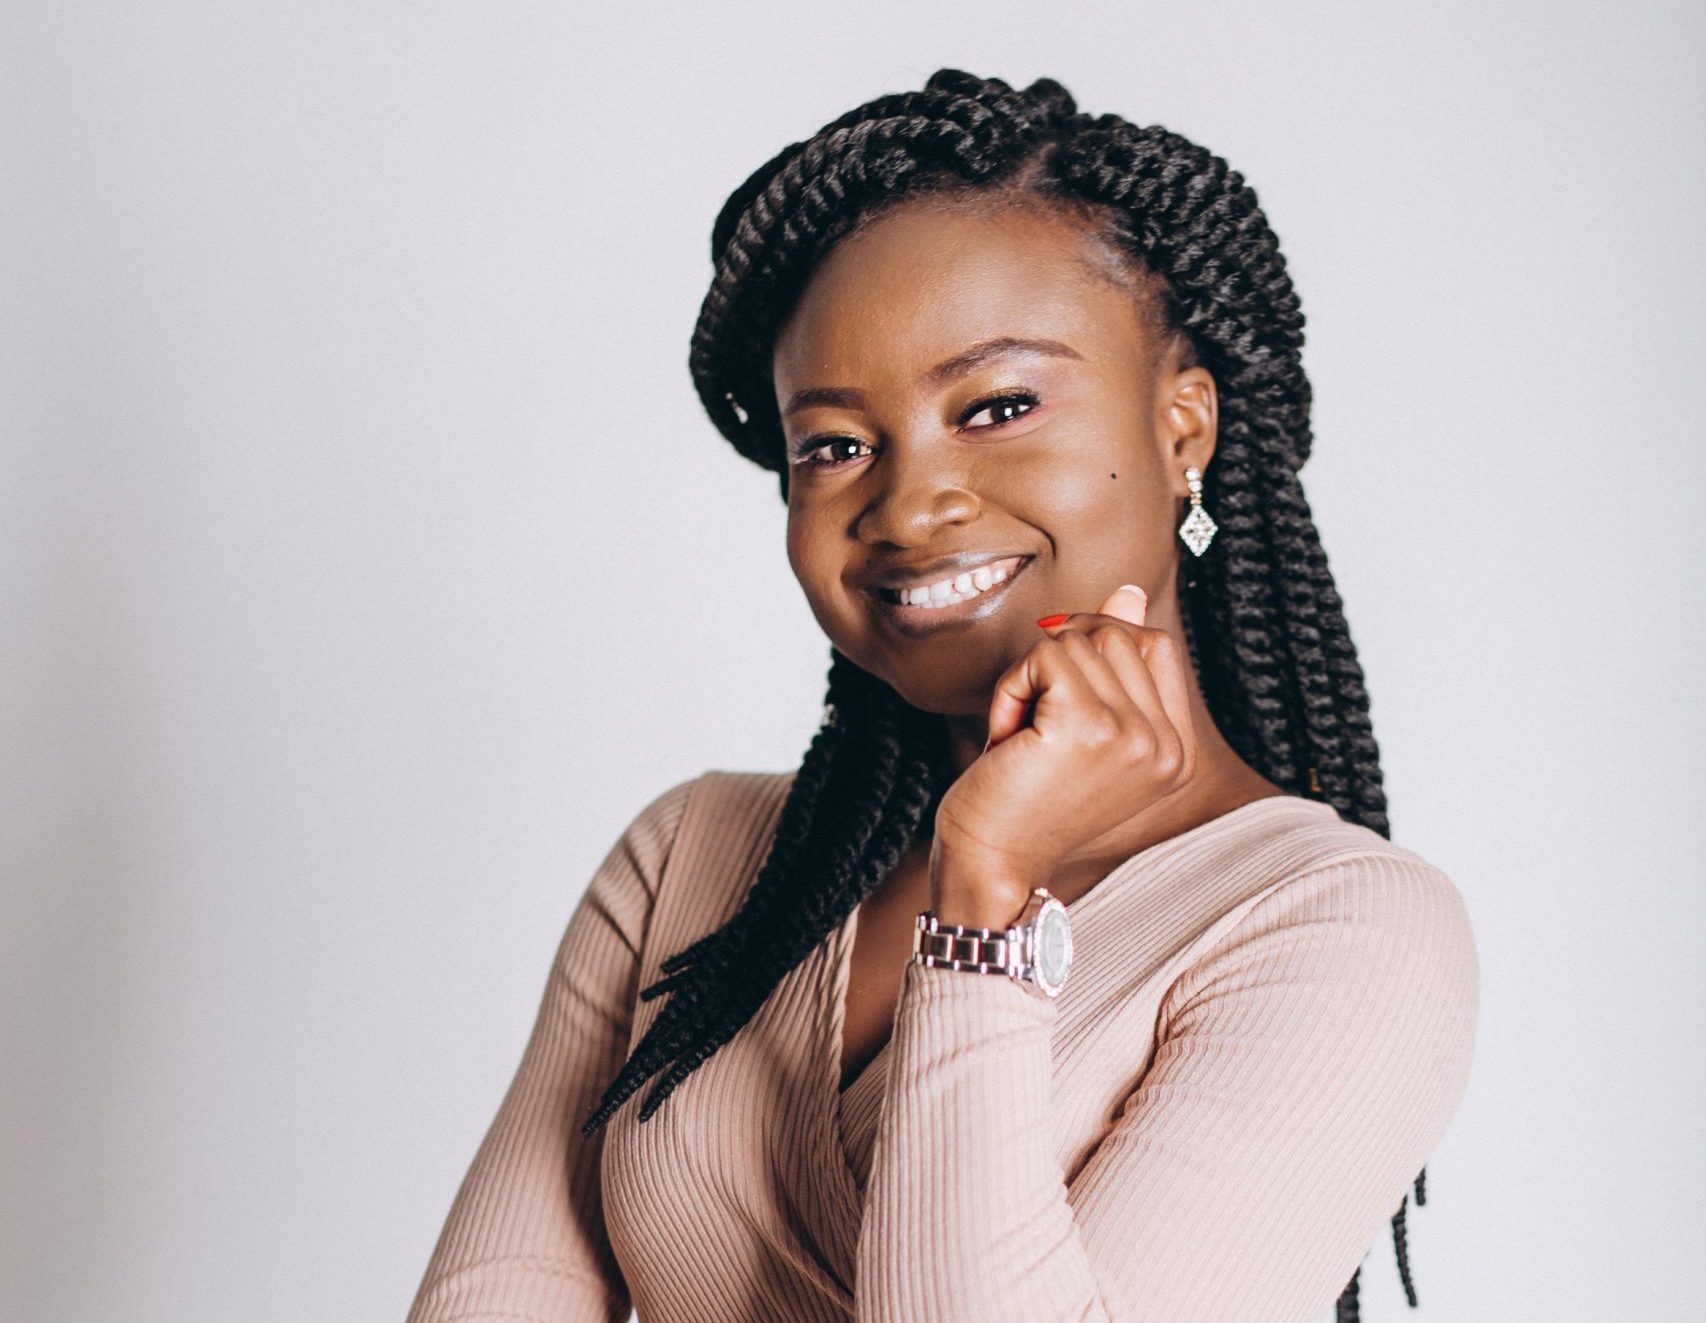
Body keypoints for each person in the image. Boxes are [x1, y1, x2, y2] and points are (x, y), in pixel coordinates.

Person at [405, 69, 1479, 1323]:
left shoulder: (1339, 930)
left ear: (1184, 428)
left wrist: (984, 905)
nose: (909, 506)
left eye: (998, 406)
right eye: (836, 445)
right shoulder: (688, 862)